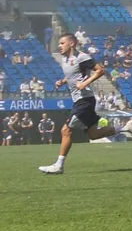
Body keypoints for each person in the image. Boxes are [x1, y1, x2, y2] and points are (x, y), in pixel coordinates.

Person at [38, 34, 120, 173]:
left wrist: (85, 83)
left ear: (71, 43)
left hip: (84, 100)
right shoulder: (65, 59)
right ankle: (119, 129)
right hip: (79, 100)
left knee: (66, 130)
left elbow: (100, 70)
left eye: (62, 43)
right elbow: (73, 74)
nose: (59, 45)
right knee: (93, 134)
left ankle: (59, 166)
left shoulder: (82, 57)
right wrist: (63, 81)